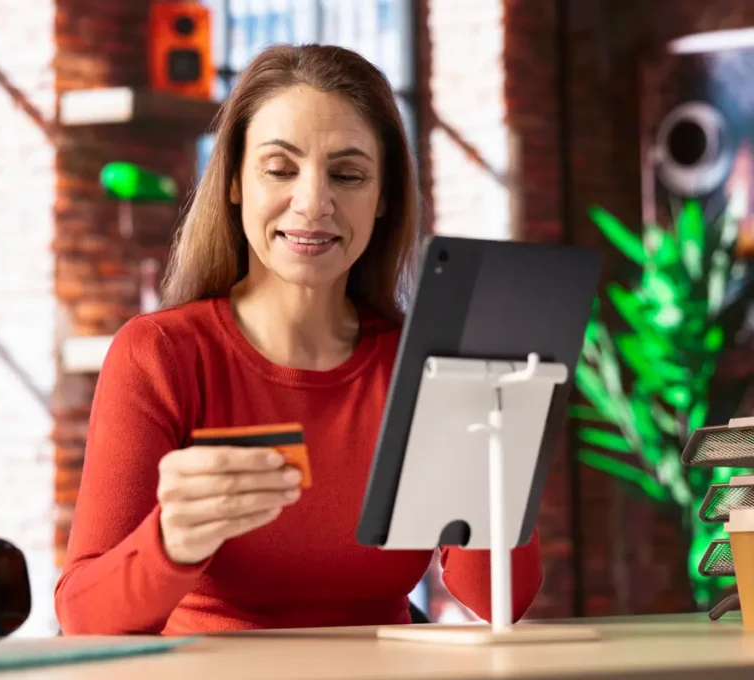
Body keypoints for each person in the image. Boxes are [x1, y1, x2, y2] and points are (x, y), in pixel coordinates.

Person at [55, 43, 542, 636]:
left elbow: (501, 600)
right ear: (235, 182)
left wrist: (500, 452)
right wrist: (171, 542)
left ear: (384, 197)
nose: (313, 203)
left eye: (348, 174)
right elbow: (82, 615)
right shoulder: (160, 354)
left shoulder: (422, 366)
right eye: (280, 169)